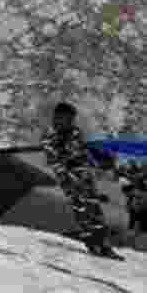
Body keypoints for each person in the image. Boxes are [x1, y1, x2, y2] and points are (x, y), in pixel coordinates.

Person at [44, 102, 123, 260]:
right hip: (70, 179)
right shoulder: (51, 135)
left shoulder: (75, 132)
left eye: (72, 118)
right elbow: (55, 162)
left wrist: (100, 161)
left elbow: (84, 152)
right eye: (68, 118)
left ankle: (104, 245)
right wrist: (68, 178)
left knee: (95, 211)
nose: (71, 121)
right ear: (59, 116)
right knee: (82, 212)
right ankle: (93, 244)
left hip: (84, 177)